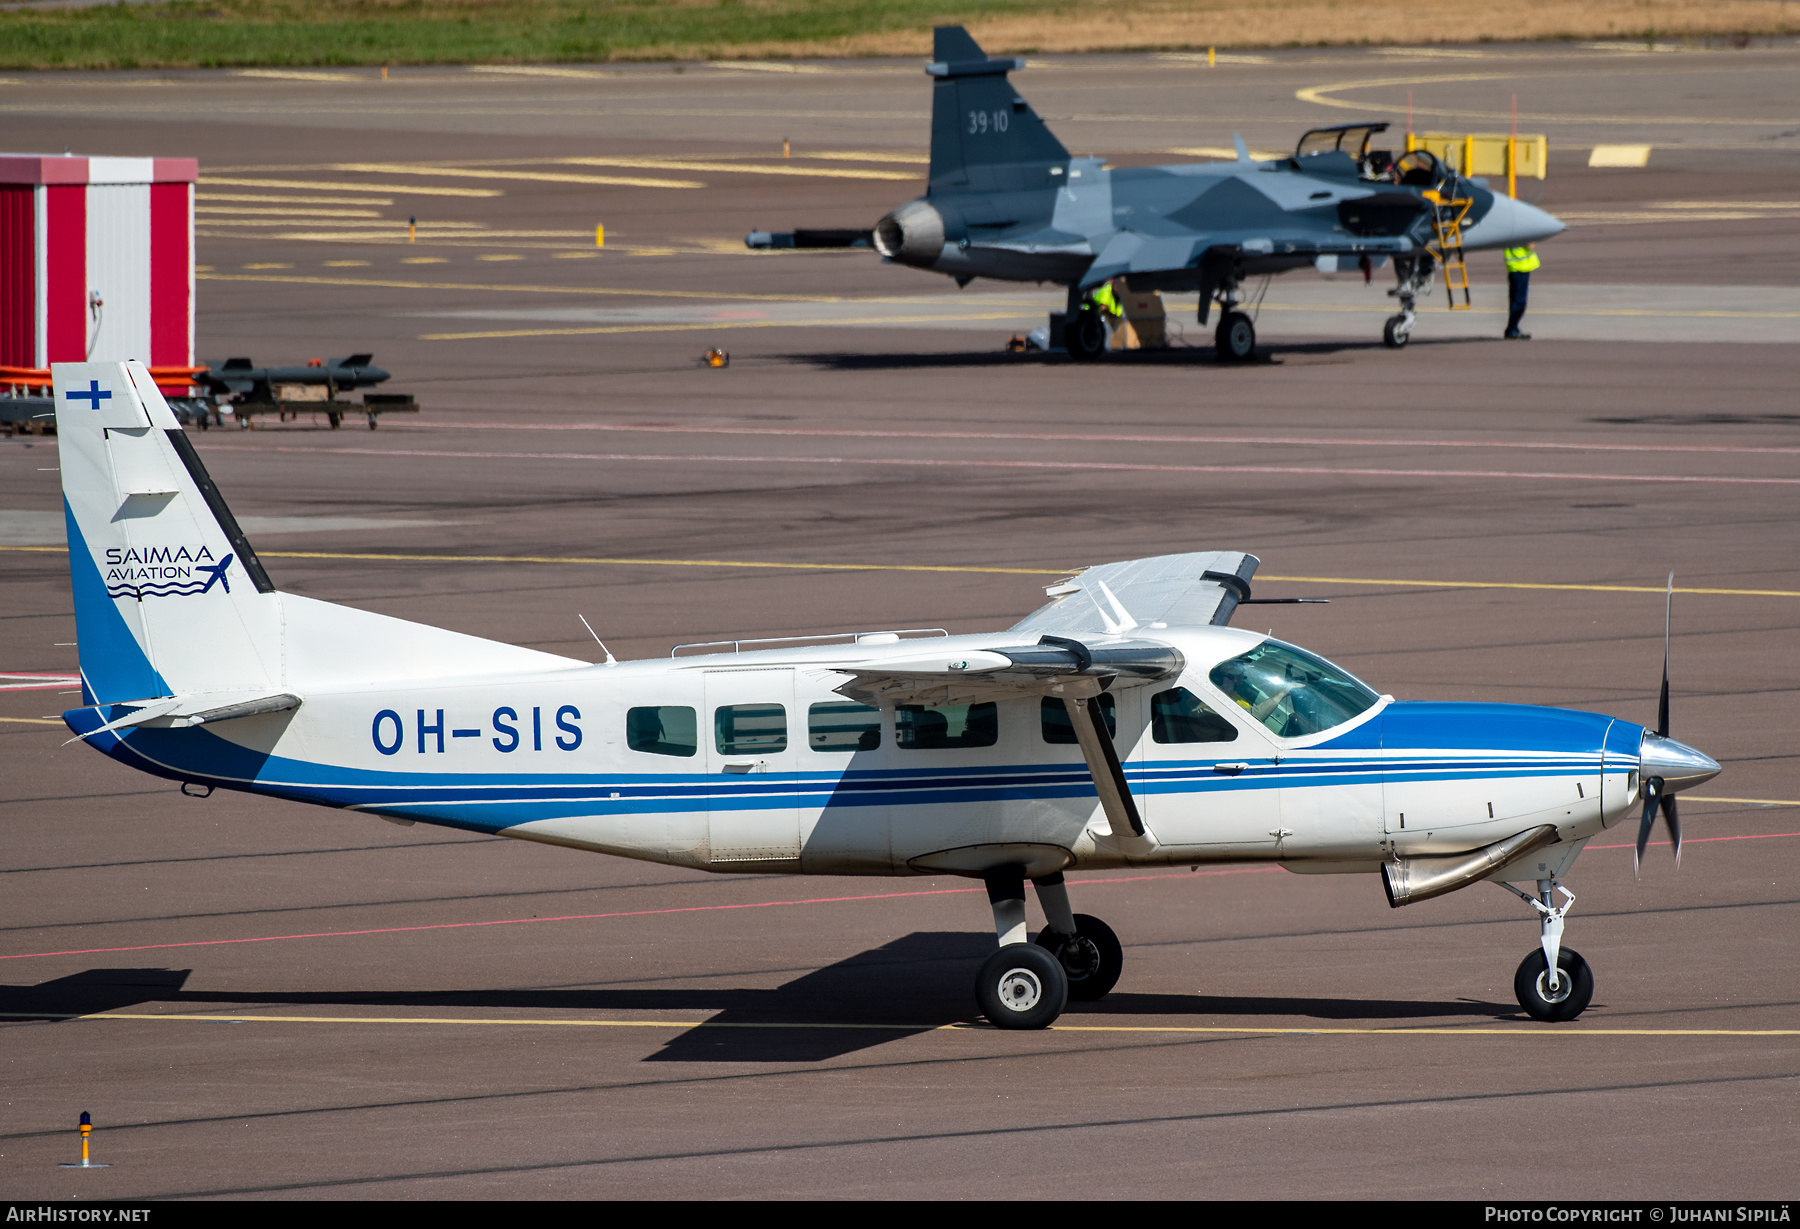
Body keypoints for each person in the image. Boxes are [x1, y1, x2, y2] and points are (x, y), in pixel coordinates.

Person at [1504, 242, 1540, 339]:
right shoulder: (1520, 234)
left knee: (1515, 300)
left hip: (1515, 268)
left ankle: (1513, 328)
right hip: (1520, 267)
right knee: (1519, 302)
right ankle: (1511, 329)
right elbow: (1530, 245)